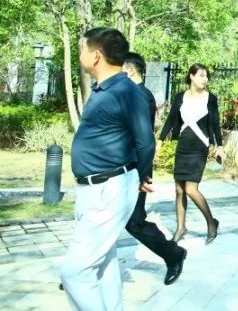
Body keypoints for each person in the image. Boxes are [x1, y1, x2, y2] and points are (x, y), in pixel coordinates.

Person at [60, 28, 155, 310]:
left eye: (82, 49)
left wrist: (142, 176)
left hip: (109, 189)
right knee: (103, 263)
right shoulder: (105, 88)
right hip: (94, 189)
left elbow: (146, 142)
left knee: (75, 273)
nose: (80, 55)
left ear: (96, 55)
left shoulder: (127, 91)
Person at [122, 52, 187, 285]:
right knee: (105, 218)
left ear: (130, 70)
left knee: (135, 222)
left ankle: (173, 254)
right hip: (123, 167)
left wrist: (141, 176)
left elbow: (145, 140)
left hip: (135, 169)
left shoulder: (140, 96)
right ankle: (85, 267)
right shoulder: (132, 94)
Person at [159, 63, 224, 244]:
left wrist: (219, 146)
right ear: (191, 76)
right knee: (179, 189)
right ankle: (181, 228)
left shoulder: (210, 98)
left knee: (190, 189)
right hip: (183, 146)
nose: (205, 79)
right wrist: (160, 141)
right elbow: (171, 119)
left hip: (199, 147)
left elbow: (215, 123)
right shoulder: (180, 96)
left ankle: (211, 222)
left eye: (206, 76)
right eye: (201, 75)